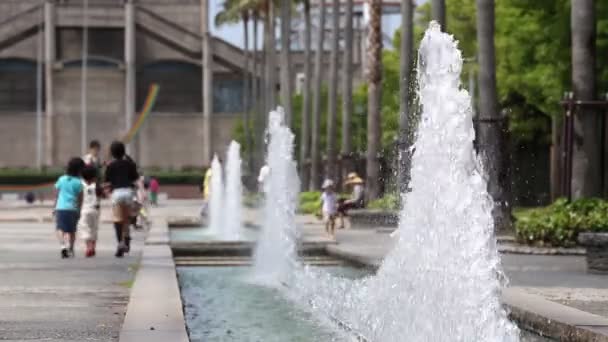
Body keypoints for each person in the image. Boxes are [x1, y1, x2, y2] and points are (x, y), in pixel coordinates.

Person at [104, 141, 139, 258]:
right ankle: (127, 238)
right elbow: (135, 178)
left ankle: (120, 243)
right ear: (124, 151)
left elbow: (107, 181)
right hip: (128, 193)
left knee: (117, 220)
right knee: (126, 219)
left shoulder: (110, 165)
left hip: (117, 193)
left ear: (112, 153)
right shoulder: (129, 164)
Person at [53, 157, 85, 258]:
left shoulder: (61, 179)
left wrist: (54, 207)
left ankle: (63, 246)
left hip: (61, 208)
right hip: (73, 209)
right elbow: (80, 198)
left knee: (59, 229)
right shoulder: (78, 182)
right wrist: (79, 210)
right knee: (72, 231)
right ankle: (71, 248)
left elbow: (57, 194)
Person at [78, 166, 100, 257]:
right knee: (94, 228)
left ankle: (89, 247)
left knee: (85, 229)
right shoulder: (97, 185)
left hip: (84, 210)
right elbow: (101, 195)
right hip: (95, 210)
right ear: (94, 176)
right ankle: (93, 247)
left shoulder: (80, 184)